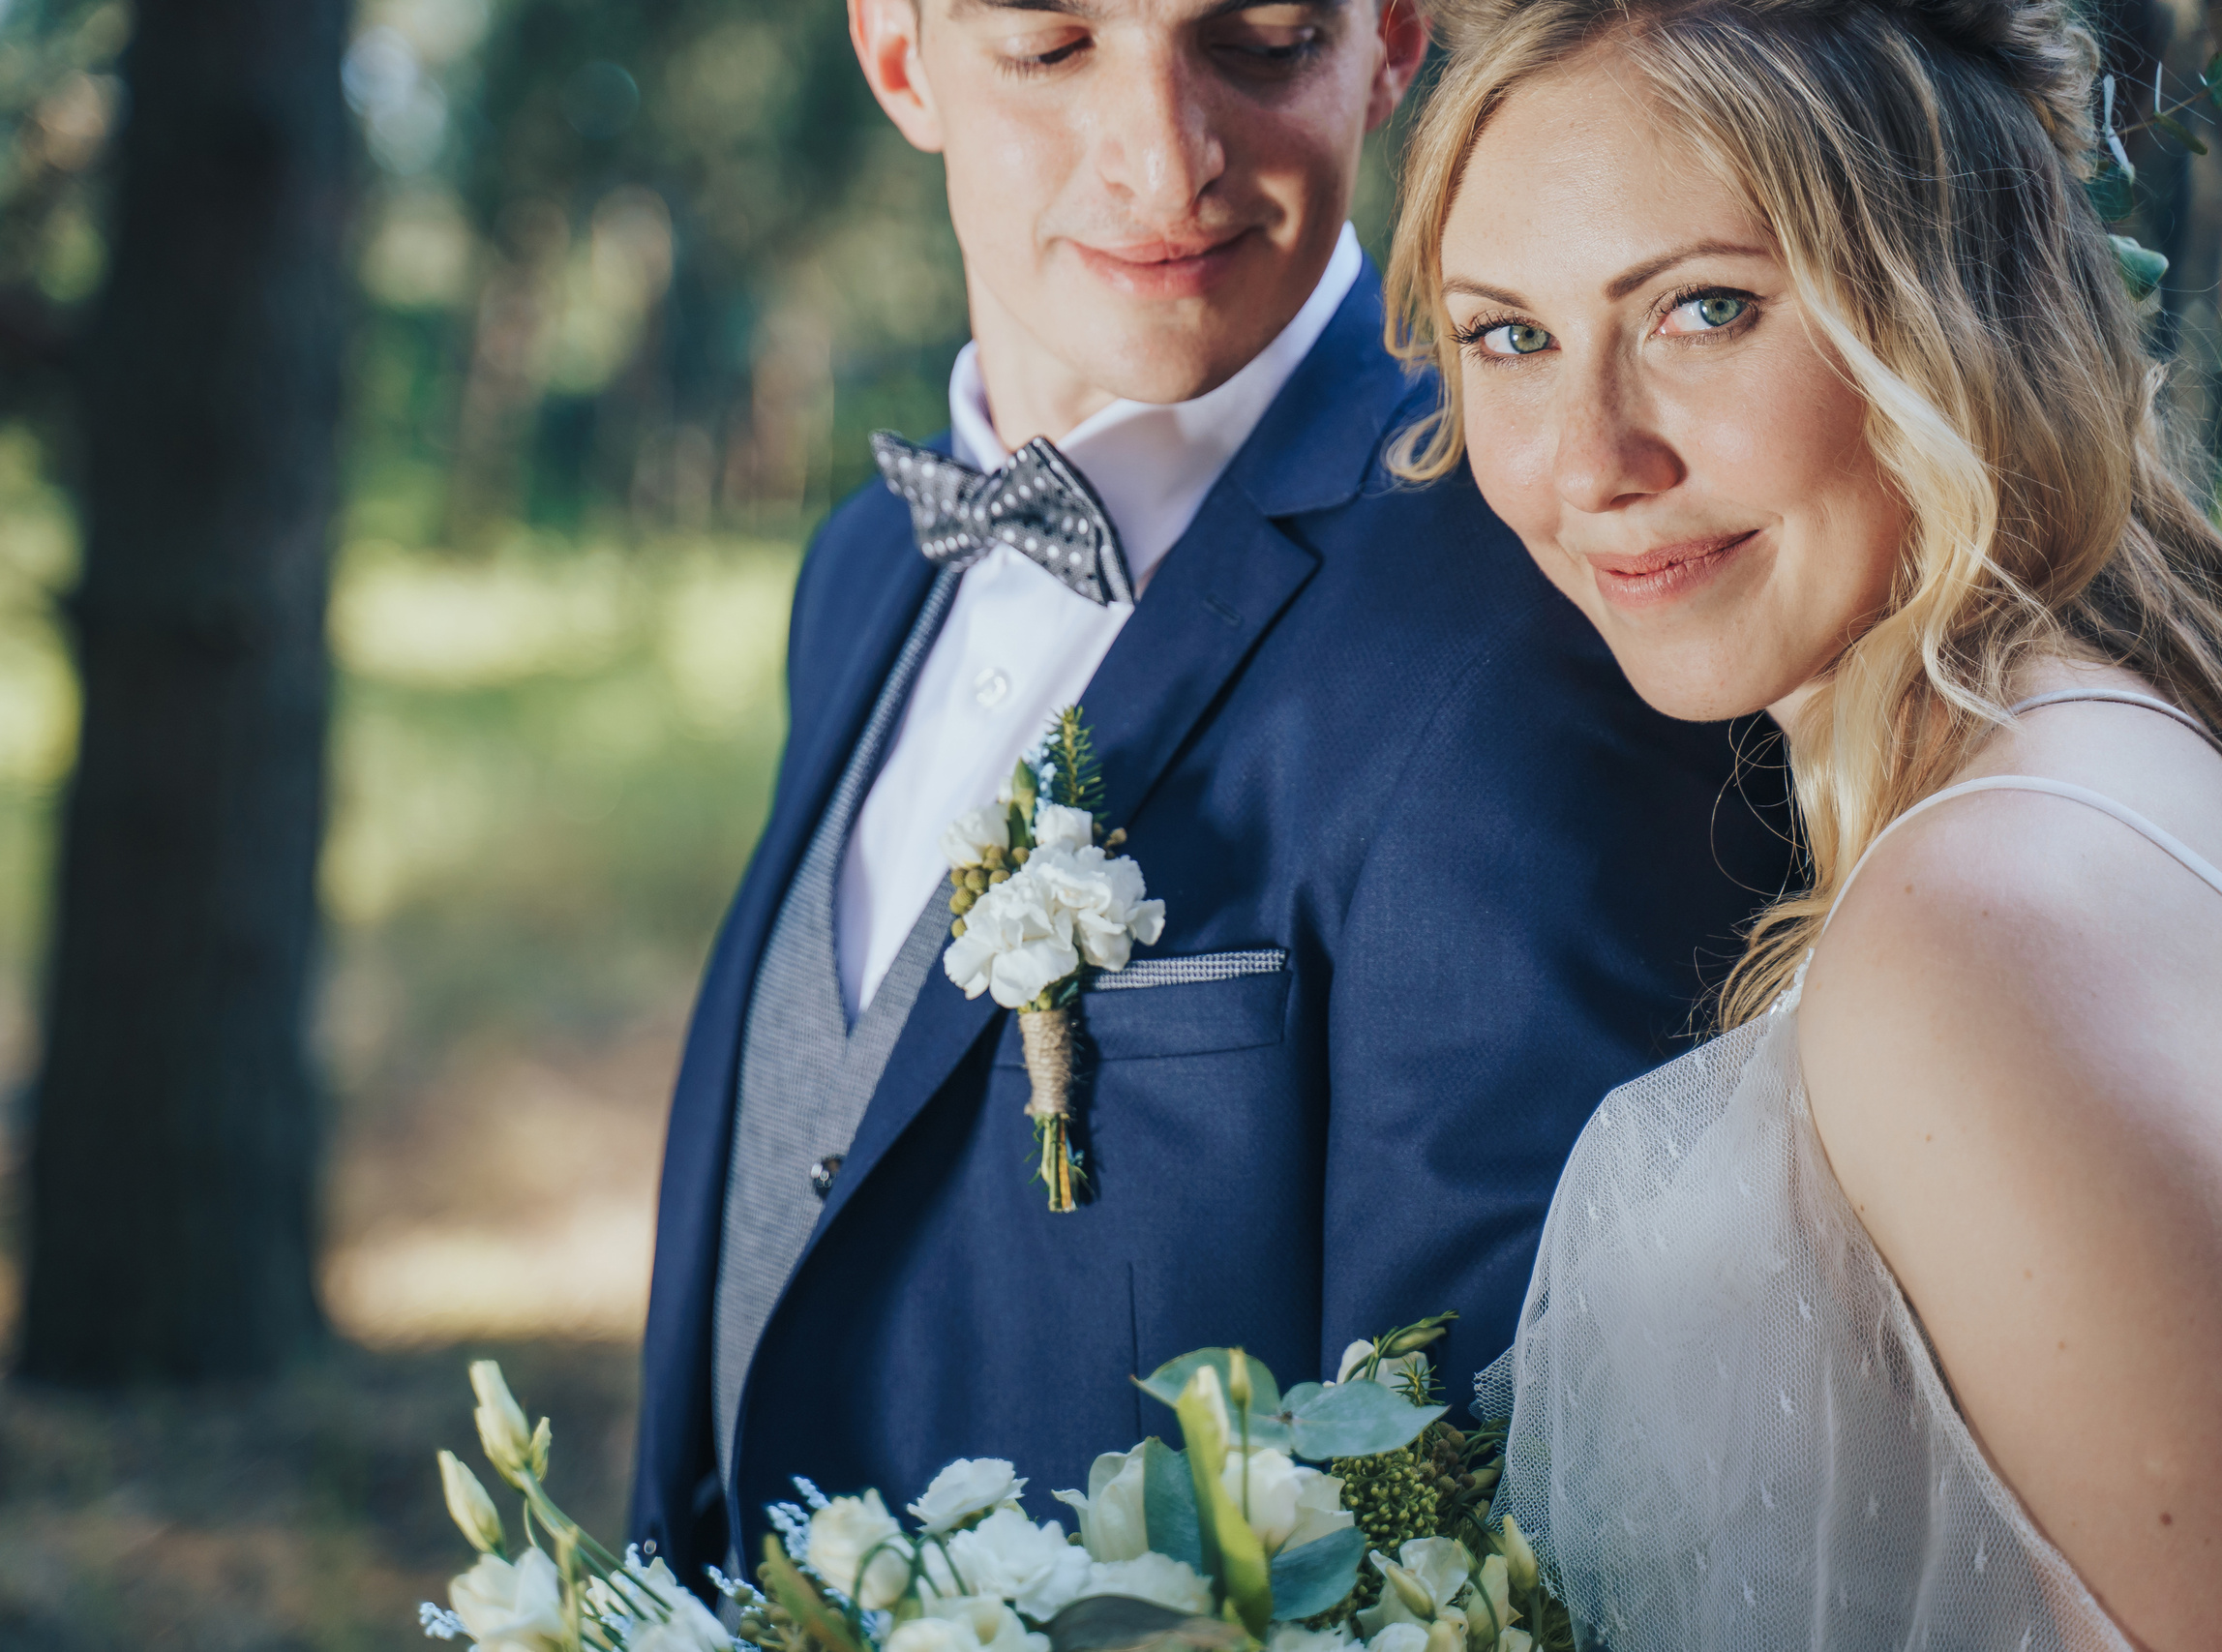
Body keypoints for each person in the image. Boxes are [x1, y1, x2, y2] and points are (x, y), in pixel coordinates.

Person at [630, 0, 1792, 1593]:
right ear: (900, 55)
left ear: (1389, 42)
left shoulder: (1535, 621)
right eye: (1051, 48)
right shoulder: (857, 573)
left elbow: (1501, 1520)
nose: (1165, 163)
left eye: (1256, 42)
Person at [1386, 0, 2222, 1643]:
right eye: (1510, 338)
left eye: (1705, 310)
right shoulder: (2101, 757)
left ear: (1949, 316)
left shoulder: (1980, 925)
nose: (1590, 460)